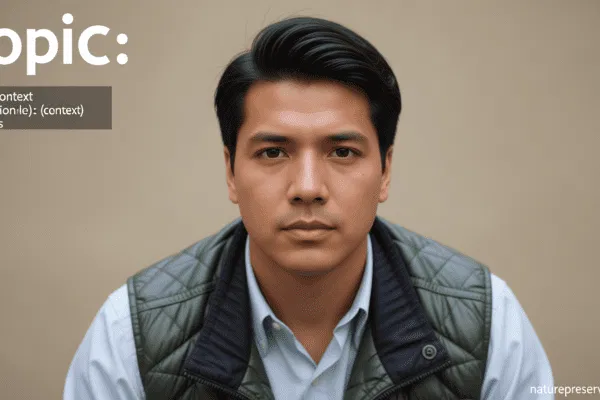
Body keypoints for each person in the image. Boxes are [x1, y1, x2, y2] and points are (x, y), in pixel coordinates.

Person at [64, 16, 554, 400]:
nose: (307, 188)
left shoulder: (488, 323)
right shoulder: (130, 334)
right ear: (231, 171)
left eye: (342, 152)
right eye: (273, 152)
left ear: (385, 171)